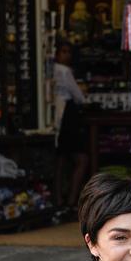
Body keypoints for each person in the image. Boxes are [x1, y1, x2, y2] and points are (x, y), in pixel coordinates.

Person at [53, 42, 90, 210]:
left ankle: (59, 198)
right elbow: (79, 96)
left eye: (68, 52)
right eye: (63, 51)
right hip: (68, 116)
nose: (66, 55)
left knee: (60, 160)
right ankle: (71, 200)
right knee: (81, 159)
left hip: (55, 116)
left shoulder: (50, 69)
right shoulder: (64, 71)